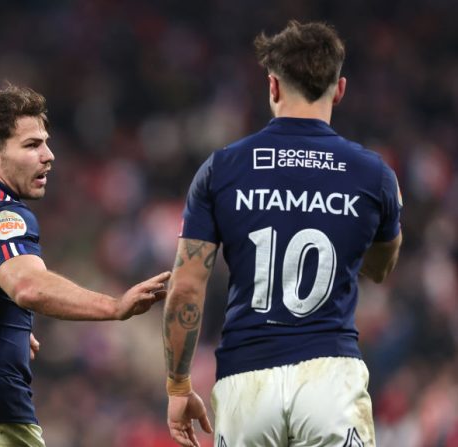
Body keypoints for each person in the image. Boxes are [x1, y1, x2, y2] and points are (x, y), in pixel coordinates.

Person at [163, 21, 402, 447]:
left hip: (246, 379)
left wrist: (179, 386)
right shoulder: (374, 176)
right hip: (330, 379)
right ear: (339, 89)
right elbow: (381, 268)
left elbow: (185, 288)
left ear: (272, 86)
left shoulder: (221, 170)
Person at [0, 84, 170, 446]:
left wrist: (4, 330)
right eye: (32, 145)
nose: (48, 155)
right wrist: (114, 306)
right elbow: (28, 287)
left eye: (45, 142)